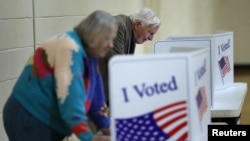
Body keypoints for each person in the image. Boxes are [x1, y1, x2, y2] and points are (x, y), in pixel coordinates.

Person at [2, 10, 118, 141]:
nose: (111, 45)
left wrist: (108, 128)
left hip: (48, 120)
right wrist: (89, 138)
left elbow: (96, 98)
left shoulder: (91, 53)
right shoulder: (69, 48)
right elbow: (70, 101)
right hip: (30, 116)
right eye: (107, 39)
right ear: (94, 36)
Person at [98, 8, 161, 105]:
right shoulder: (118, 25)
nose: (151, 38)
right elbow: (118, 64)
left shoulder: (130, 32)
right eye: (150, 32)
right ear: (138, 24)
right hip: (99, 95)